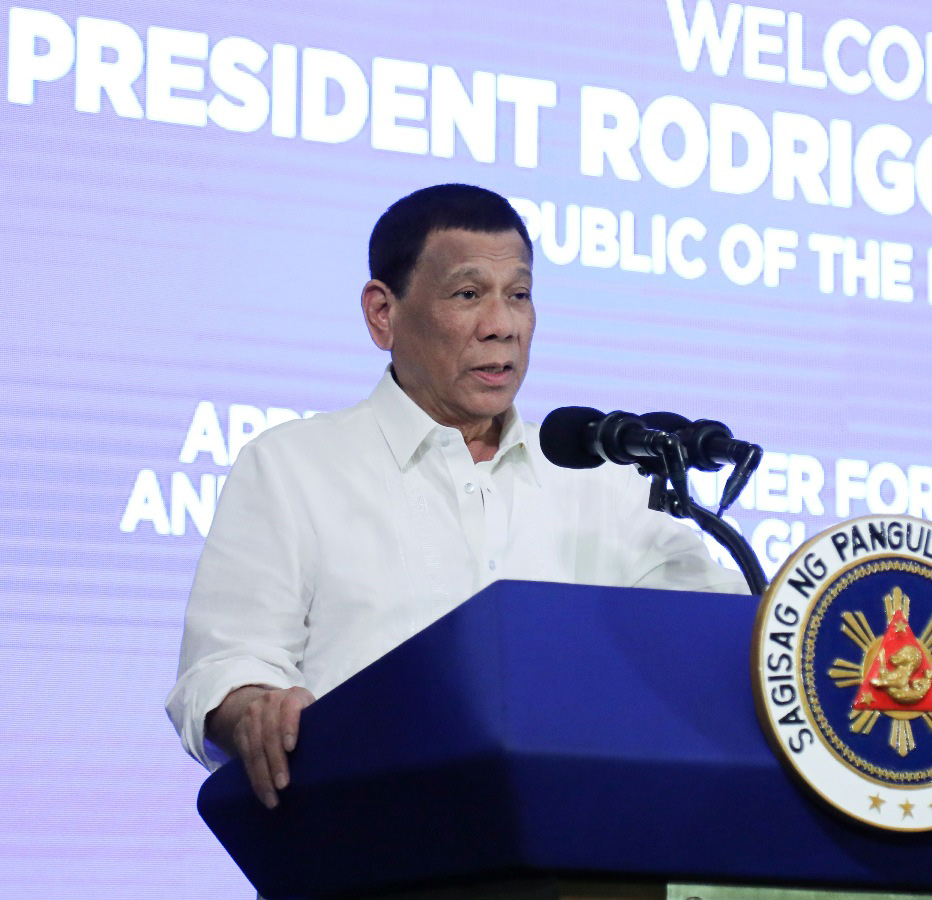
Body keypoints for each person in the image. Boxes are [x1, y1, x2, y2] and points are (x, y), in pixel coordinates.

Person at [167, 183, 744, 809]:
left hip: (573, 836)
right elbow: (223, 667)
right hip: (366, 838)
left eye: (518, 296)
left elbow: (719, 633)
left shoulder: (598, 478)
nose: (502, 327)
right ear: (382, 314)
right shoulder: (293, 467)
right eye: (468, 295)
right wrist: (254, 707)